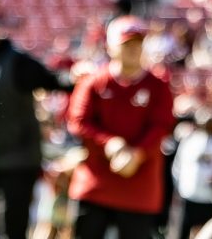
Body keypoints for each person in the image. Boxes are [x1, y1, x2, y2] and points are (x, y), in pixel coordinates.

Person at [0, 8, 72, 239]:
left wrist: (78, 78)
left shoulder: (17, 62)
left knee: (11, 229)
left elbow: (55, 82)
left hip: (18, 163)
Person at [67, 16, 176, 238]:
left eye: (138, 43)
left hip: (139, 186)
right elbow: (78, 121)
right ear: (110, 46)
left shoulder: (158, 85)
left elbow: (162, 125)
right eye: (127, 44)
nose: (133, 49)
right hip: (96, 182)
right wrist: (110, 143)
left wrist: (136, 153)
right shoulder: (95, 82)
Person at [171, 110, 212, 239]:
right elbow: (178, 166)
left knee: (209, 232)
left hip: (210, 199)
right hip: (188, 196)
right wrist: (179, 187)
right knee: (180, 234)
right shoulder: (190, 140)